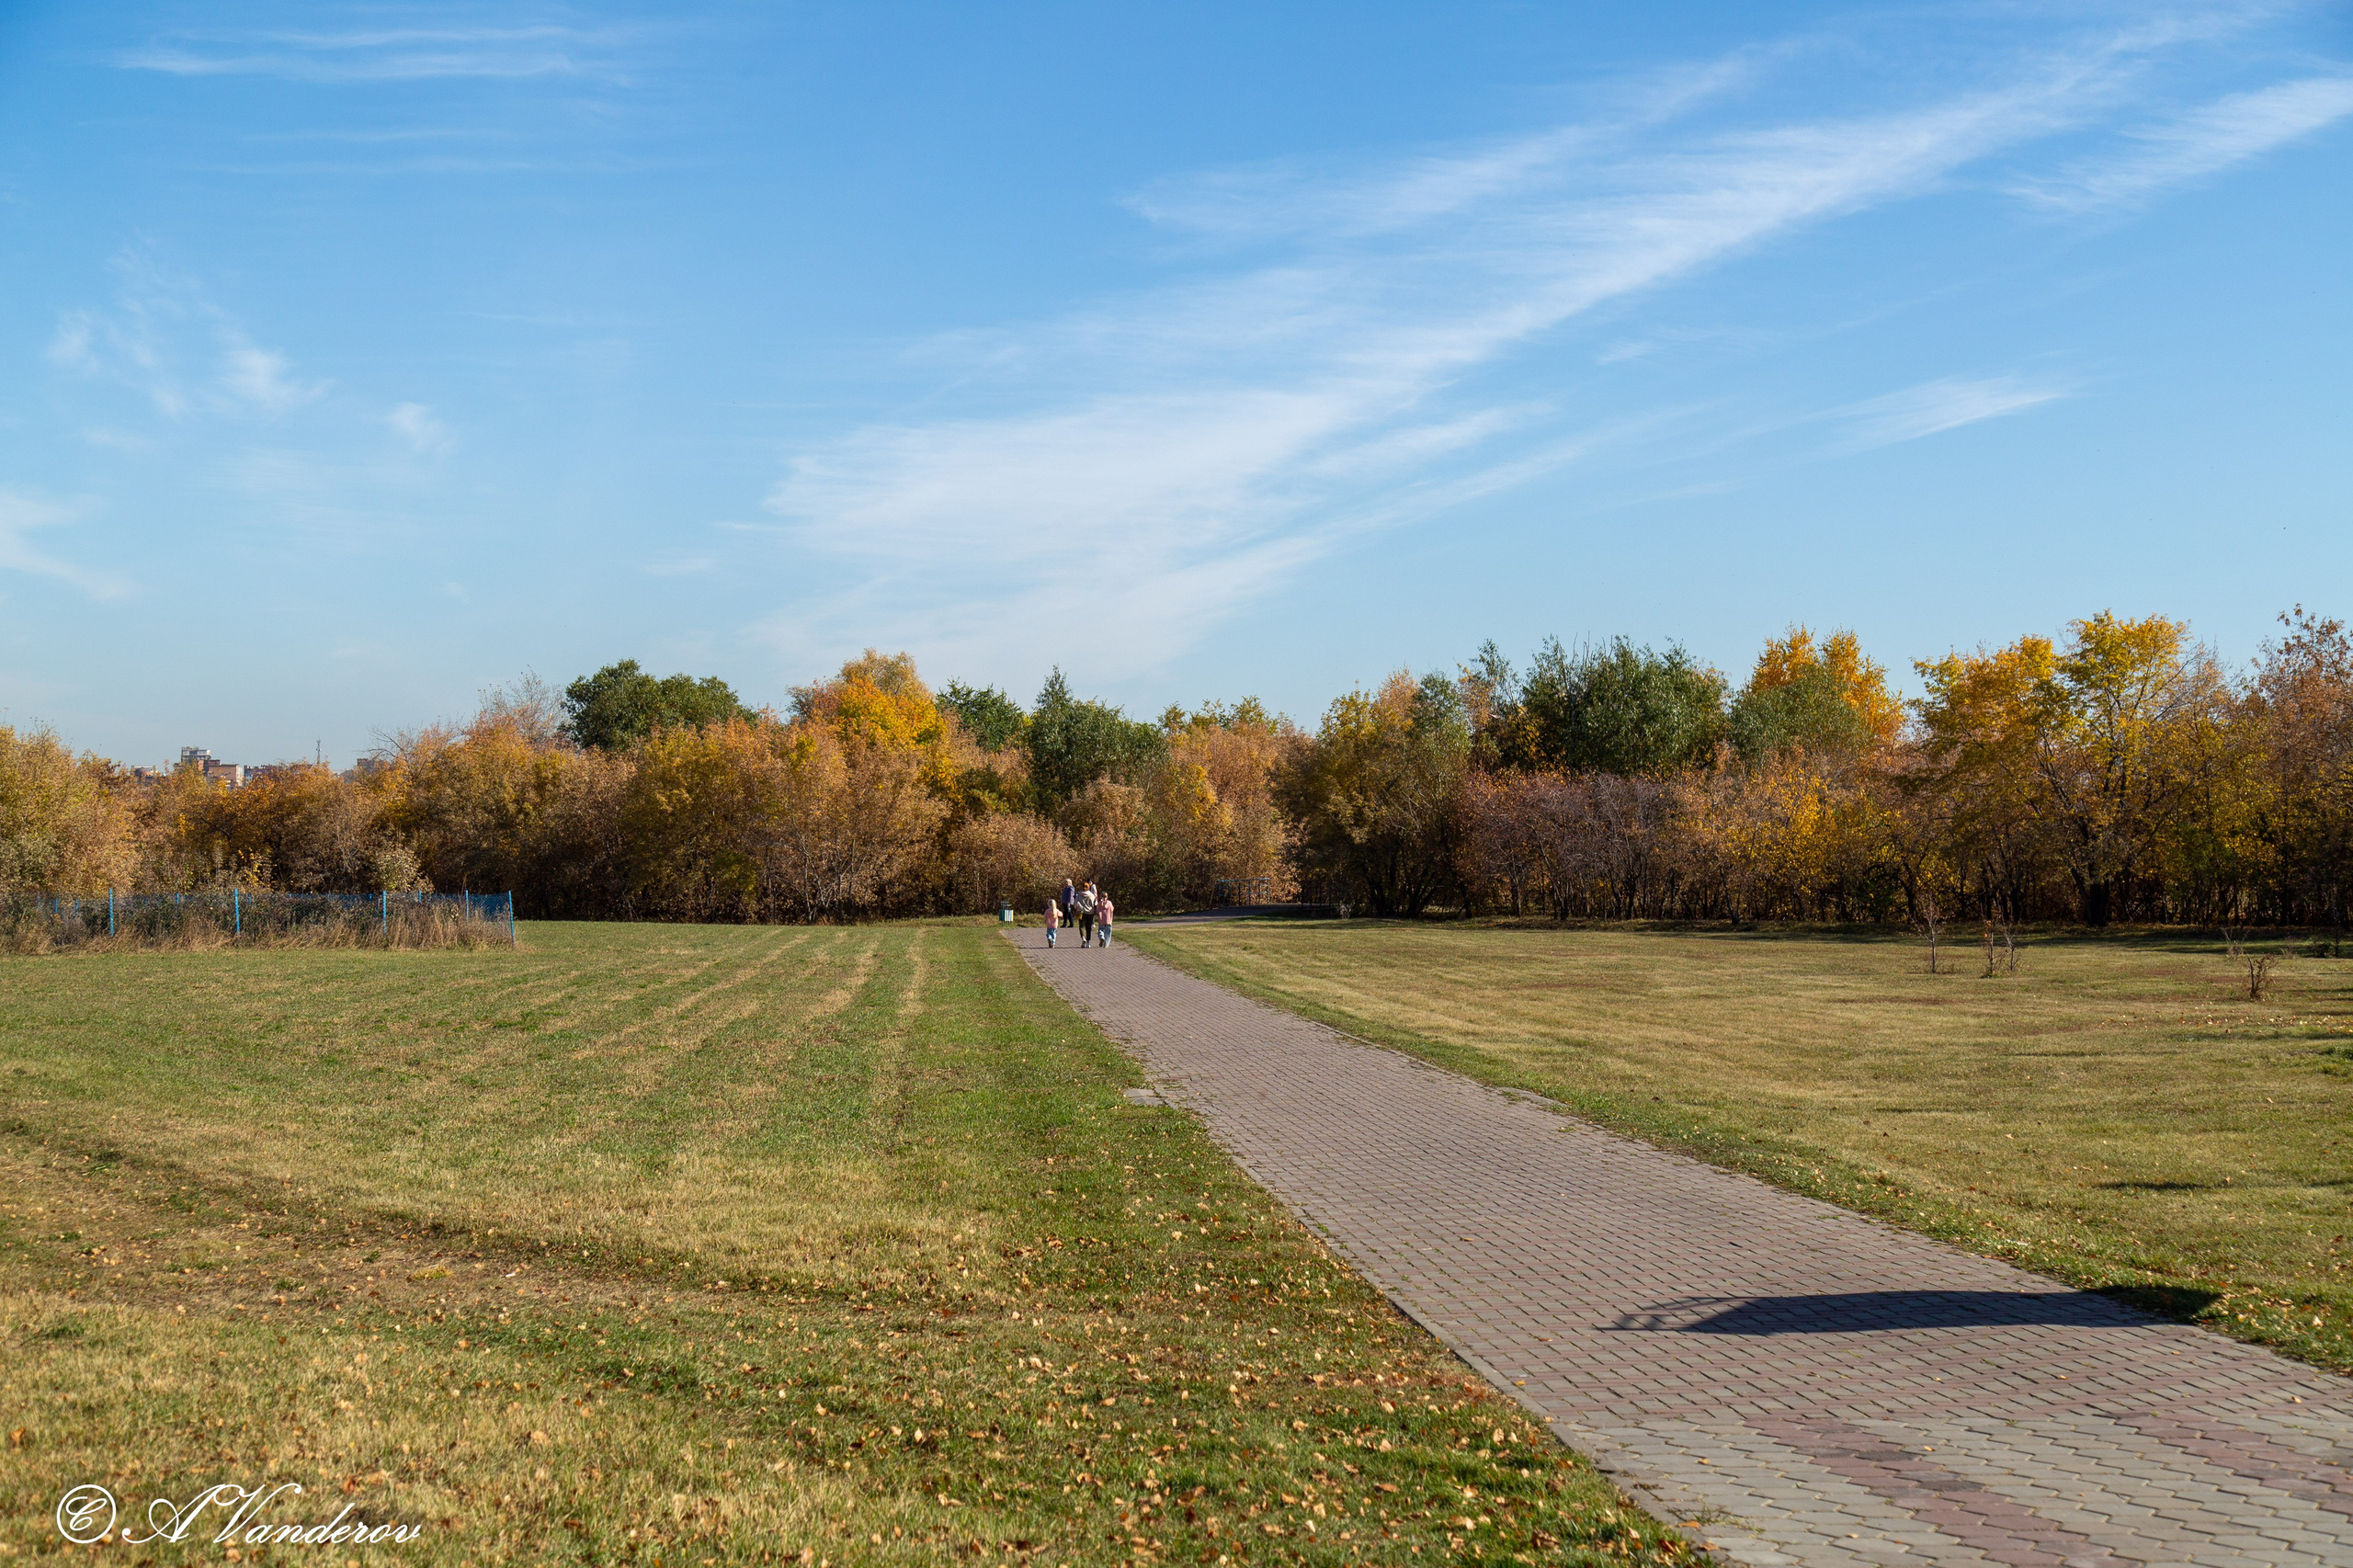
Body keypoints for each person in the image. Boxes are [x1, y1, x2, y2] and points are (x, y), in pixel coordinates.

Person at [1077, 881, 1098, 948]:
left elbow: (1075, 904)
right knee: (1088, 927)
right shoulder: (1092, 895)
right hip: (1090, 913)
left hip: (1081, 912)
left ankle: (1083, 938)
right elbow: (1095, 904)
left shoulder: (1079, 895)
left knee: (1081, 926)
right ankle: (1088, 942)